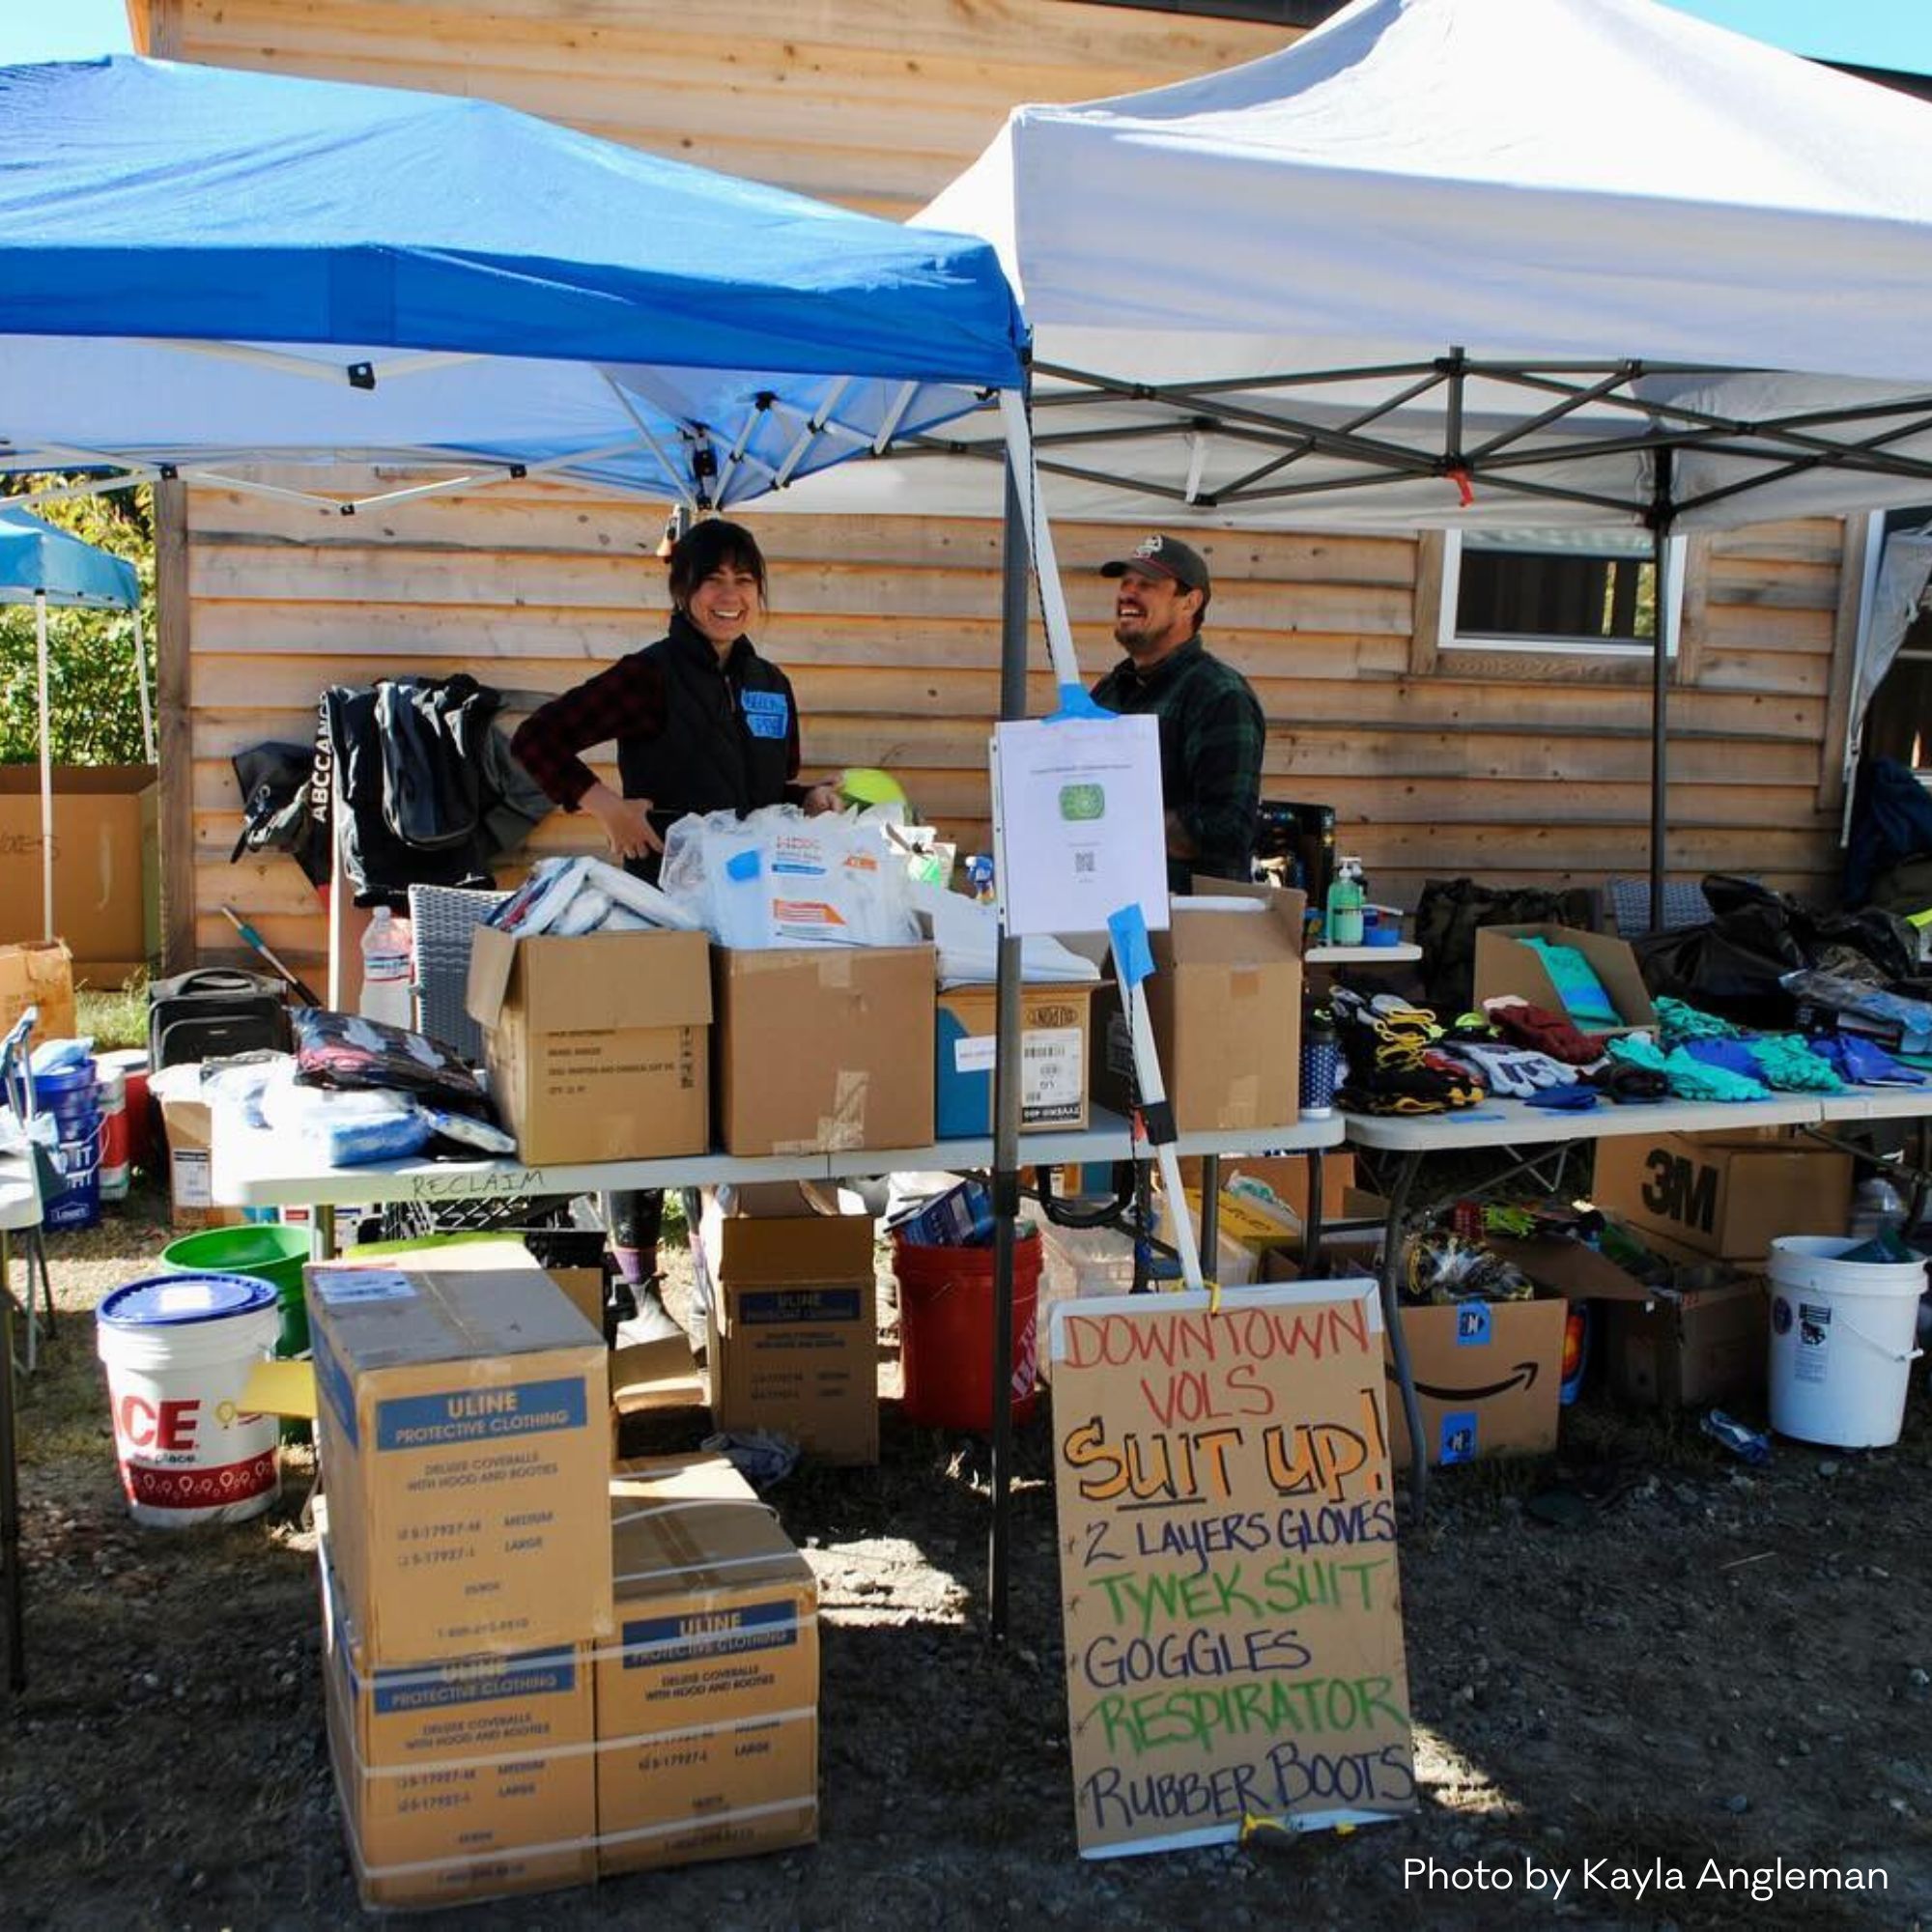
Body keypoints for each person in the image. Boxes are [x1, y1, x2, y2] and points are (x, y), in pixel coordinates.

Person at [511, 518, 839, 1321]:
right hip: (660, 901)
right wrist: (606, 807)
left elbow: (767, 790)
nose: (729, 597)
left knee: (731, 1079)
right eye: (713, 581)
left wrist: (811, 800)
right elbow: (538, 738)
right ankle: (636, 1285)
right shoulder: (649, 676)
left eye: (743, 581)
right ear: (683, 592)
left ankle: (715, 1262)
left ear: (760, 594)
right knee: (657, 1086)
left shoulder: (771, 684)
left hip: (755, 910)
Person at [1091, 532, 1266, 897]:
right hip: (1104, 916)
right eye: (1125, 582)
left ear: (1190, 602)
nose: (1127, 594)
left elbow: (1227, 831)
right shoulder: (1108, 691)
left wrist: (1119, 824)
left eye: (1147, 584)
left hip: (1186, 932)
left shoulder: (1218, 694)